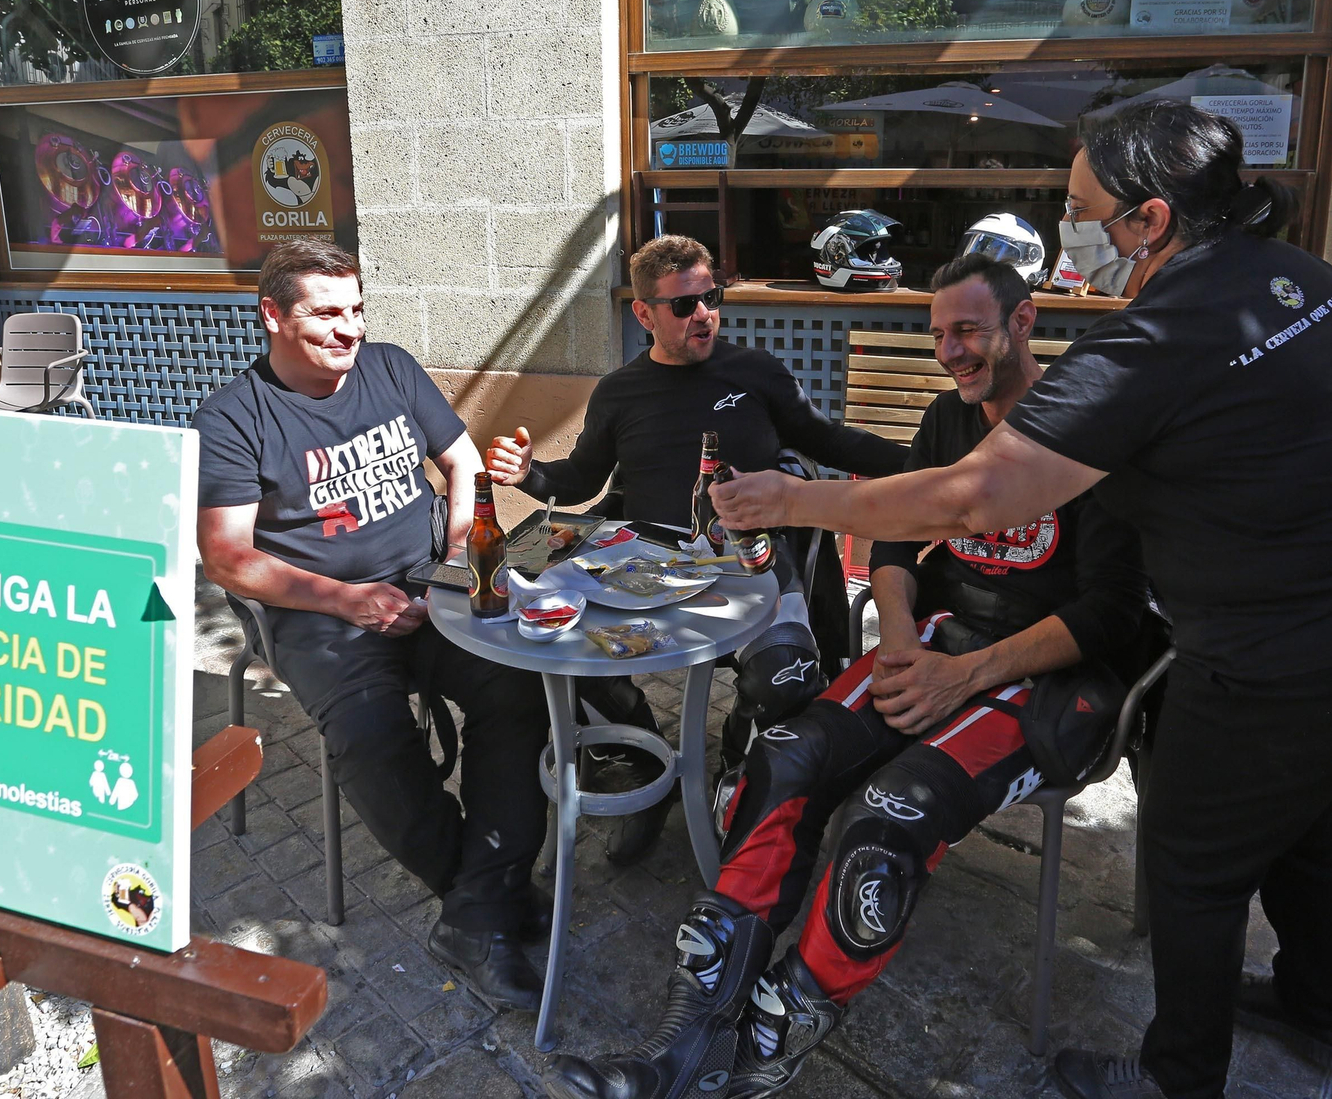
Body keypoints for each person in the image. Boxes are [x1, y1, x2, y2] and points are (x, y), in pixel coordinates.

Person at [710, 101, 1332, 1099]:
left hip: (1260, 647)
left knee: (1194, 868)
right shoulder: (1298, 279)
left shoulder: (1151, 343)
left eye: (1082, 210)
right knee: (1306, 831)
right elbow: (918, 540)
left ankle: (1177, 1079)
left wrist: (791, 497)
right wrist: (912, 633)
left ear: (1150, 220)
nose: (1067, 230)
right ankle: (1315, 998)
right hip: (1300, 623)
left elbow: (975, 495)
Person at [542, 252, 1148, 1099]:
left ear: (1023, 321)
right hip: (933, 639)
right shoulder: (948, 417)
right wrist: (899, 638)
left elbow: (1115, 614)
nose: (950, 351)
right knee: (784, 753)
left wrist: (965, 674)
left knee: (886, 814)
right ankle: (681, 1039)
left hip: (1043, 674)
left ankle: (765, 1048)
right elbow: (898, 535)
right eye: (938, 334)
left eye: (967, 330)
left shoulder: (1091, 436)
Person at [192, 240, 551, 1012]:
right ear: (273, 316)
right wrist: (346, 601)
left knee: (521, 689)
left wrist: (459, 544)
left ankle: (480, 908)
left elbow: (461, 462)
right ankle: (484, 898)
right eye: (327, 313)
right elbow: (225, 557)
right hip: (322, 613)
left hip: (431, 583)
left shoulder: (390, 367)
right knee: (373, 737)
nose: (349, 328)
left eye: (356, 309)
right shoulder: (231, 417)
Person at [487, 235, 907, 861]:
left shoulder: (755, 372)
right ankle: (644, 763)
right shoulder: (620, 391)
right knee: (554, 654)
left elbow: (831, 441)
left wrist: (927, 469)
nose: (704, 314)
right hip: (645, 566)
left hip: (752, 563)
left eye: (710, 298)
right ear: (645, 314)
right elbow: (577, 480)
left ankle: (737, 757)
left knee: (786, 676)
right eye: (683, 306)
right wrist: (527, 475)